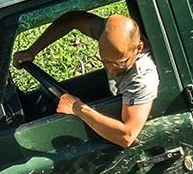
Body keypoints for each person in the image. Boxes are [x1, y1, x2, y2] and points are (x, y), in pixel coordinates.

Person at [13, 11, 158, 148]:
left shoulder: (142, 78)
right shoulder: (109, 36)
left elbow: (126, 137)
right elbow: (72, 19)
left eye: (120, 63)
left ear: (139, 48)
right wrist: (32, 51)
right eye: (105, 60)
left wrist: (77, 107)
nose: (111, 68)